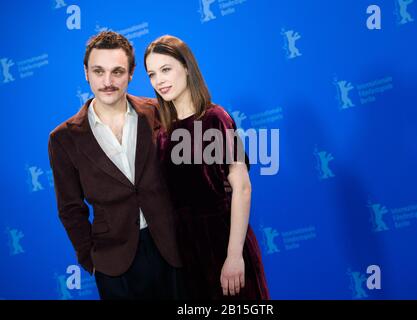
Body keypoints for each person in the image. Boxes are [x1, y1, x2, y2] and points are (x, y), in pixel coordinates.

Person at [48, 31, 186, 300]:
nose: (108, 82)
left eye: (117, 72)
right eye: (98, 71)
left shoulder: (160, 111)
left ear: (132, 73)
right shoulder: (63, 139)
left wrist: (230, 169)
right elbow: (70, 209)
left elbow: (194, 163)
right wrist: (93, 262)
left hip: (173, 249)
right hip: (114, 263)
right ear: (86, 72)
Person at [144, 35, 270, 300]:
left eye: (166, 69)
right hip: (186, 252)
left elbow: (242, 187)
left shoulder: (214, 119)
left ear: (187, 67)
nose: (159, 81)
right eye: (152, 74)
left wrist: (234, 255)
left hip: (224, 240)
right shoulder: (163, 135)